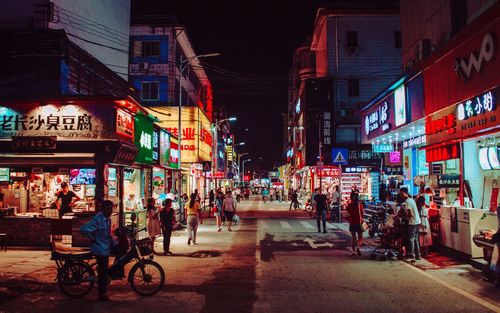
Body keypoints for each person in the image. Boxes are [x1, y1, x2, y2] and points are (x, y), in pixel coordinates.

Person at [80, 200, 114, 301]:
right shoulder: (98, 219)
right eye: (108, 209)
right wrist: (92, 238)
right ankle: (101, 295)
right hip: (99, 249)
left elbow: (107, 233)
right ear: (103, 209)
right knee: (102, 273)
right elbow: (84, 229)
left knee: (104, 270)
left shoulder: (107, 219)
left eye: (111, 208)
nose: (110, 211)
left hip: (105, 247)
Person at [400, 187, 421, 262]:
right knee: (415, 239)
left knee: (411, 239)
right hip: (418, 221)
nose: (401, 195)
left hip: (412, 222)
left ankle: (412, 255)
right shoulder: (411, 200)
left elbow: (409, 215)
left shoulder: (407, 202)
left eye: (401, 193)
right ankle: (418, 255)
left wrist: (403, 214)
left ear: (404, 193)